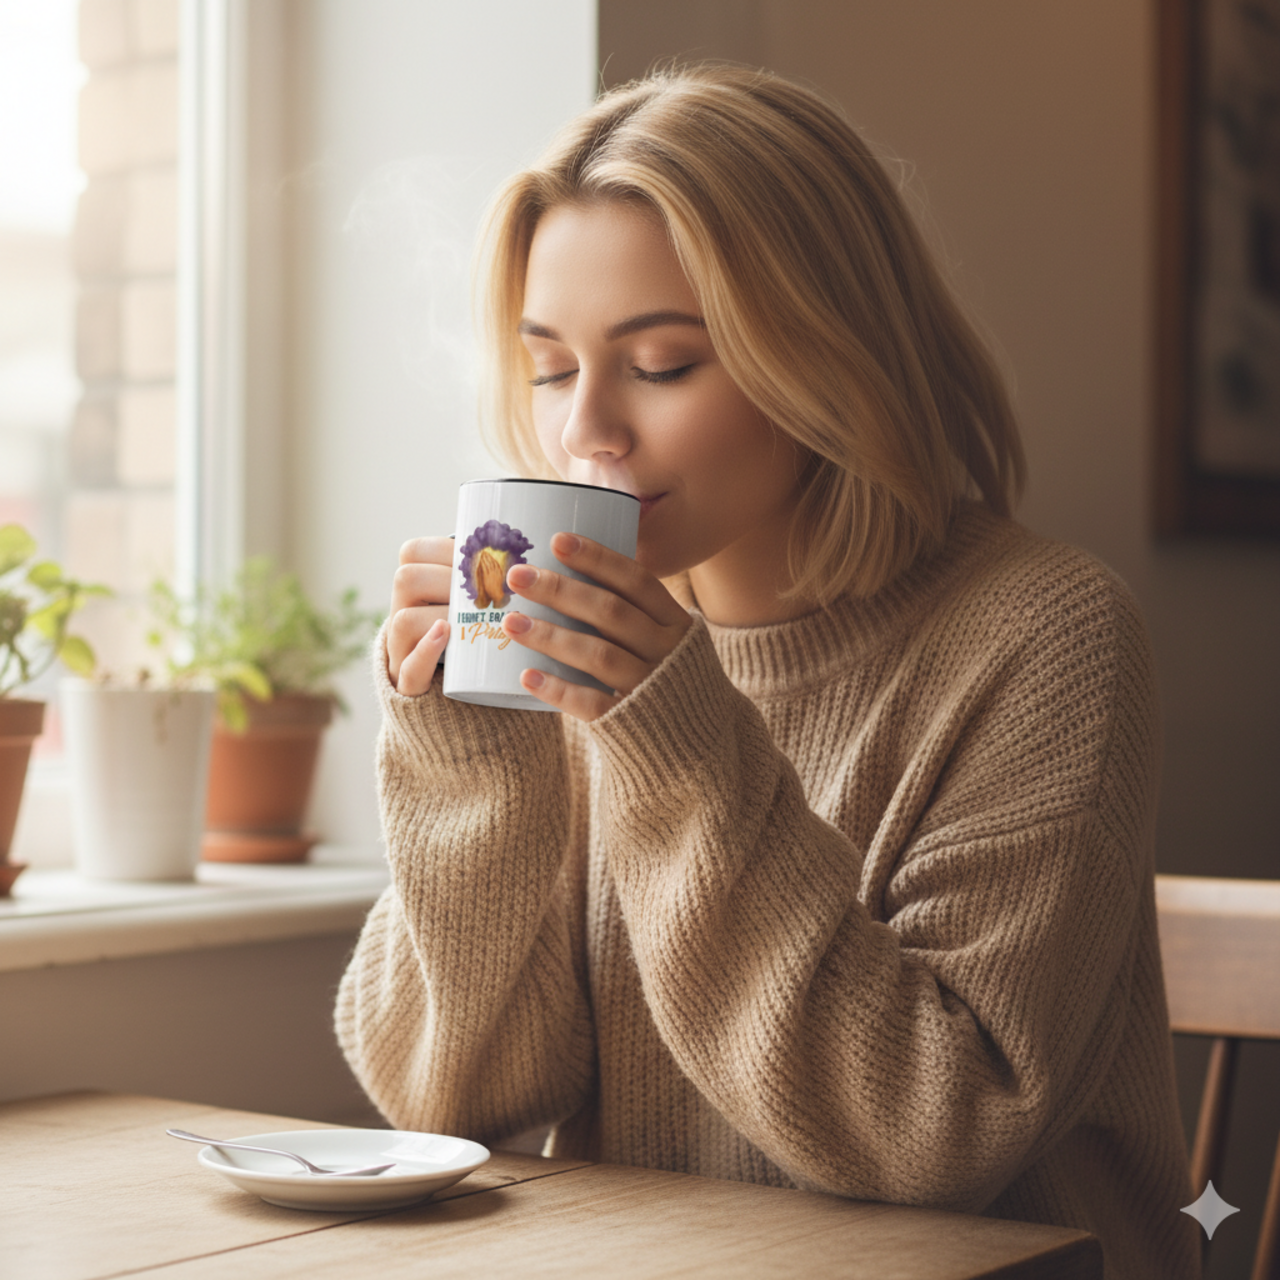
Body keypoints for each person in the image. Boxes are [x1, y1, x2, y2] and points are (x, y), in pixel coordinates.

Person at [336, 64, 1199, 1279]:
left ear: (824, 356)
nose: (584, 430)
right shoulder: (592, 646)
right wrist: (466, 751)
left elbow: (933, 1128)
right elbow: (450, 1095)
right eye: (548, 366)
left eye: (662, 363)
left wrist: (677, 737)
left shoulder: (1042, 631)